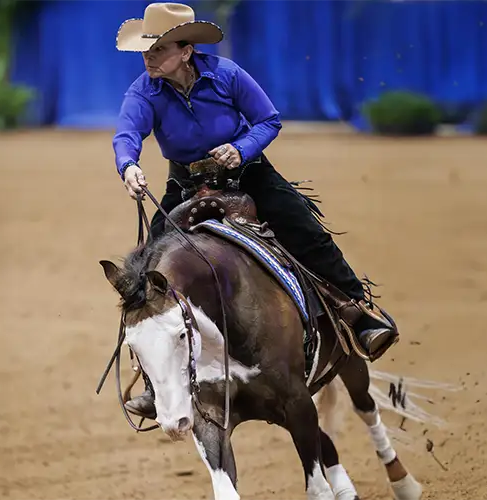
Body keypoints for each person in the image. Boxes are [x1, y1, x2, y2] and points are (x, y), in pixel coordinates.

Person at [111, 3, 398, 419]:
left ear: (186, 51)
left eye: (158, 49)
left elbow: (268, 120)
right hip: (184, 182)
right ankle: (155, 384)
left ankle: (358, 312)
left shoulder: (227, 75)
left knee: (305, 231)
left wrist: (240, 149)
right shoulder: (144, 91)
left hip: (249, 174)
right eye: (146, 50)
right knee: (145, 270)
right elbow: (127, 134)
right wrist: (129, 166)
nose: (148, 58)